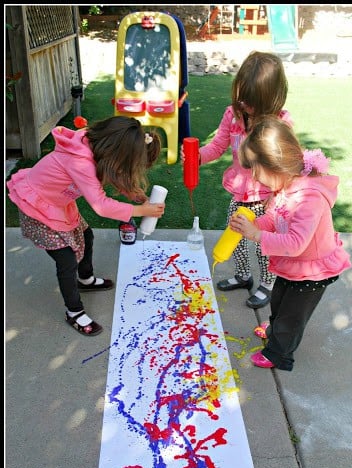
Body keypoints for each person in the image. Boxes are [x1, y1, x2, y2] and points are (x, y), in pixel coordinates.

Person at [7, 116, 165, 336]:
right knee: (66, 260)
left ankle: (86, 279)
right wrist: (141, 211)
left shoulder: (94, 147)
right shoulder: (80, 161)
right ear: (115, 152)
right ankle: (74, 312)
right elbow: (100, 205)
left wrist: (132, 194)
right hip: (38, 208)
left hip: (58, 203)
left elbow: (108, 174)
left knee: (87, 235)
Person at [230, 115, 352, 371]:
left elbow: (296, 242)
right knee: (279, 301)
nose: (254, 177)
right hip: (294, 264)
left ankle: (278, 353)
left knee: (292, 315)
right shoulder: (285, 187)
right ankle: (276, 331)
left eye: (256, 170)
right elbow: (274, 218)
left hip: (312, 271)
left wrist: (256, 235)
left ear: (275, 165)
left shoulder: (310, 198)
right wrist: (251, 228)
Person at [184, 51, 293, 309]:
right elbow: (218, 145)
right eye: (241, 98)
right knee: (235, 239)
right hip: (239, 194)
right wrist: (197, 157)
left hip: (267, 200)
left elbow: (286, 165)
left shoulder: (280, 123)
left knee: (262, 246)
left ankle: (267, 282)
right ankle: (244, 276)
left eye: (251, 101)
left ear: (271, 99)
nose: (244, 105)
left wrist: (279, 198)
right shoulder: (232, 116)